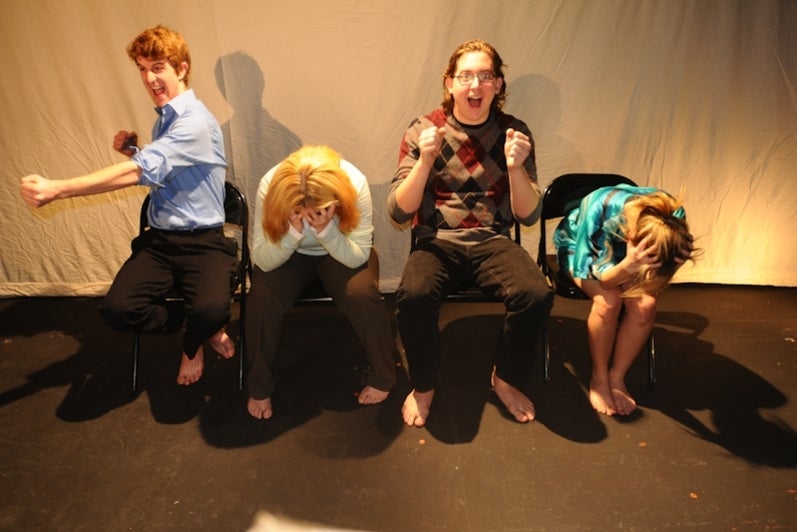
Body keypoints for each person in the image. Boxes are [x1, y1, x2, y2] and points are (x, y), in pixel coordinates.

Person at [19, 25, 237, 386]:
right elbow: (163, 169)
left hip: (204, 243)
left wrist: (58, 189)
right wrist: (137, 151)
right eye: (142, 68)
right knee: (117, 310)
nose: (149, 78)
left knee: (213, 309)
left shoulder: (194, 122)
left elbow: (138, 174)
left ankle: (194, 340)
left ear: (181, 69)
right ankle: (194, 326)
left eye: (158, 67)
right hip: (162, 242)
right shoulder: (167, 118)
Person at [387, 39, 554, 427]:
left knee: (535, 294)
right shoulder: (424, 129)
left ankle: (506, 378)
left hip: (492, 240)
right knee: (412, 295)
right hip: (436, 241)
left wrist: (516, 168)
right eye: (466, 76)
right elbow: (398, 209)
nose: (475, 86)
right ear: (449, 83)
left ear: (498, 84)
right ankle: (424, 385)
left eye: (485, 76)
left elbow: (528, 217)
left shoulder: (514, 132)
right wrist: (425, 161)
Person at [246, 145, 397, 420]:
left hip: (341, 251)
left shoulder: (354, 182)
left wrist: (326, 231)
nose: (307, 214)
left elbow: (357, 256)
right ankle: (259, 386)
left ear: (336, 199)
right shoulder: (270, 185)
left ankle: (384, 375)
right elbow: (263, 260)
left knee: (362, 294)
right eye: (299, 209)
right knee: (261, 298)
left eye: (317, 208)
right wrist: (292, 234)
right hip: (288, 253)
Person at [554, 184, 697, 416]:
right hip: (579, 246)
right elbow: (604, 280)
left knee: (646, 306)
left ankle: (617, 376)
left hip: (632, 256)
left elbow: (657, 280)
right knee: (608, 301)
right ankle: (599, 378)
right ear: (630, 236)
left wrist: (669, 265)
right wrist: (629, 265)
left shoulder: (673, 218)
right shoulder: (598, 209)